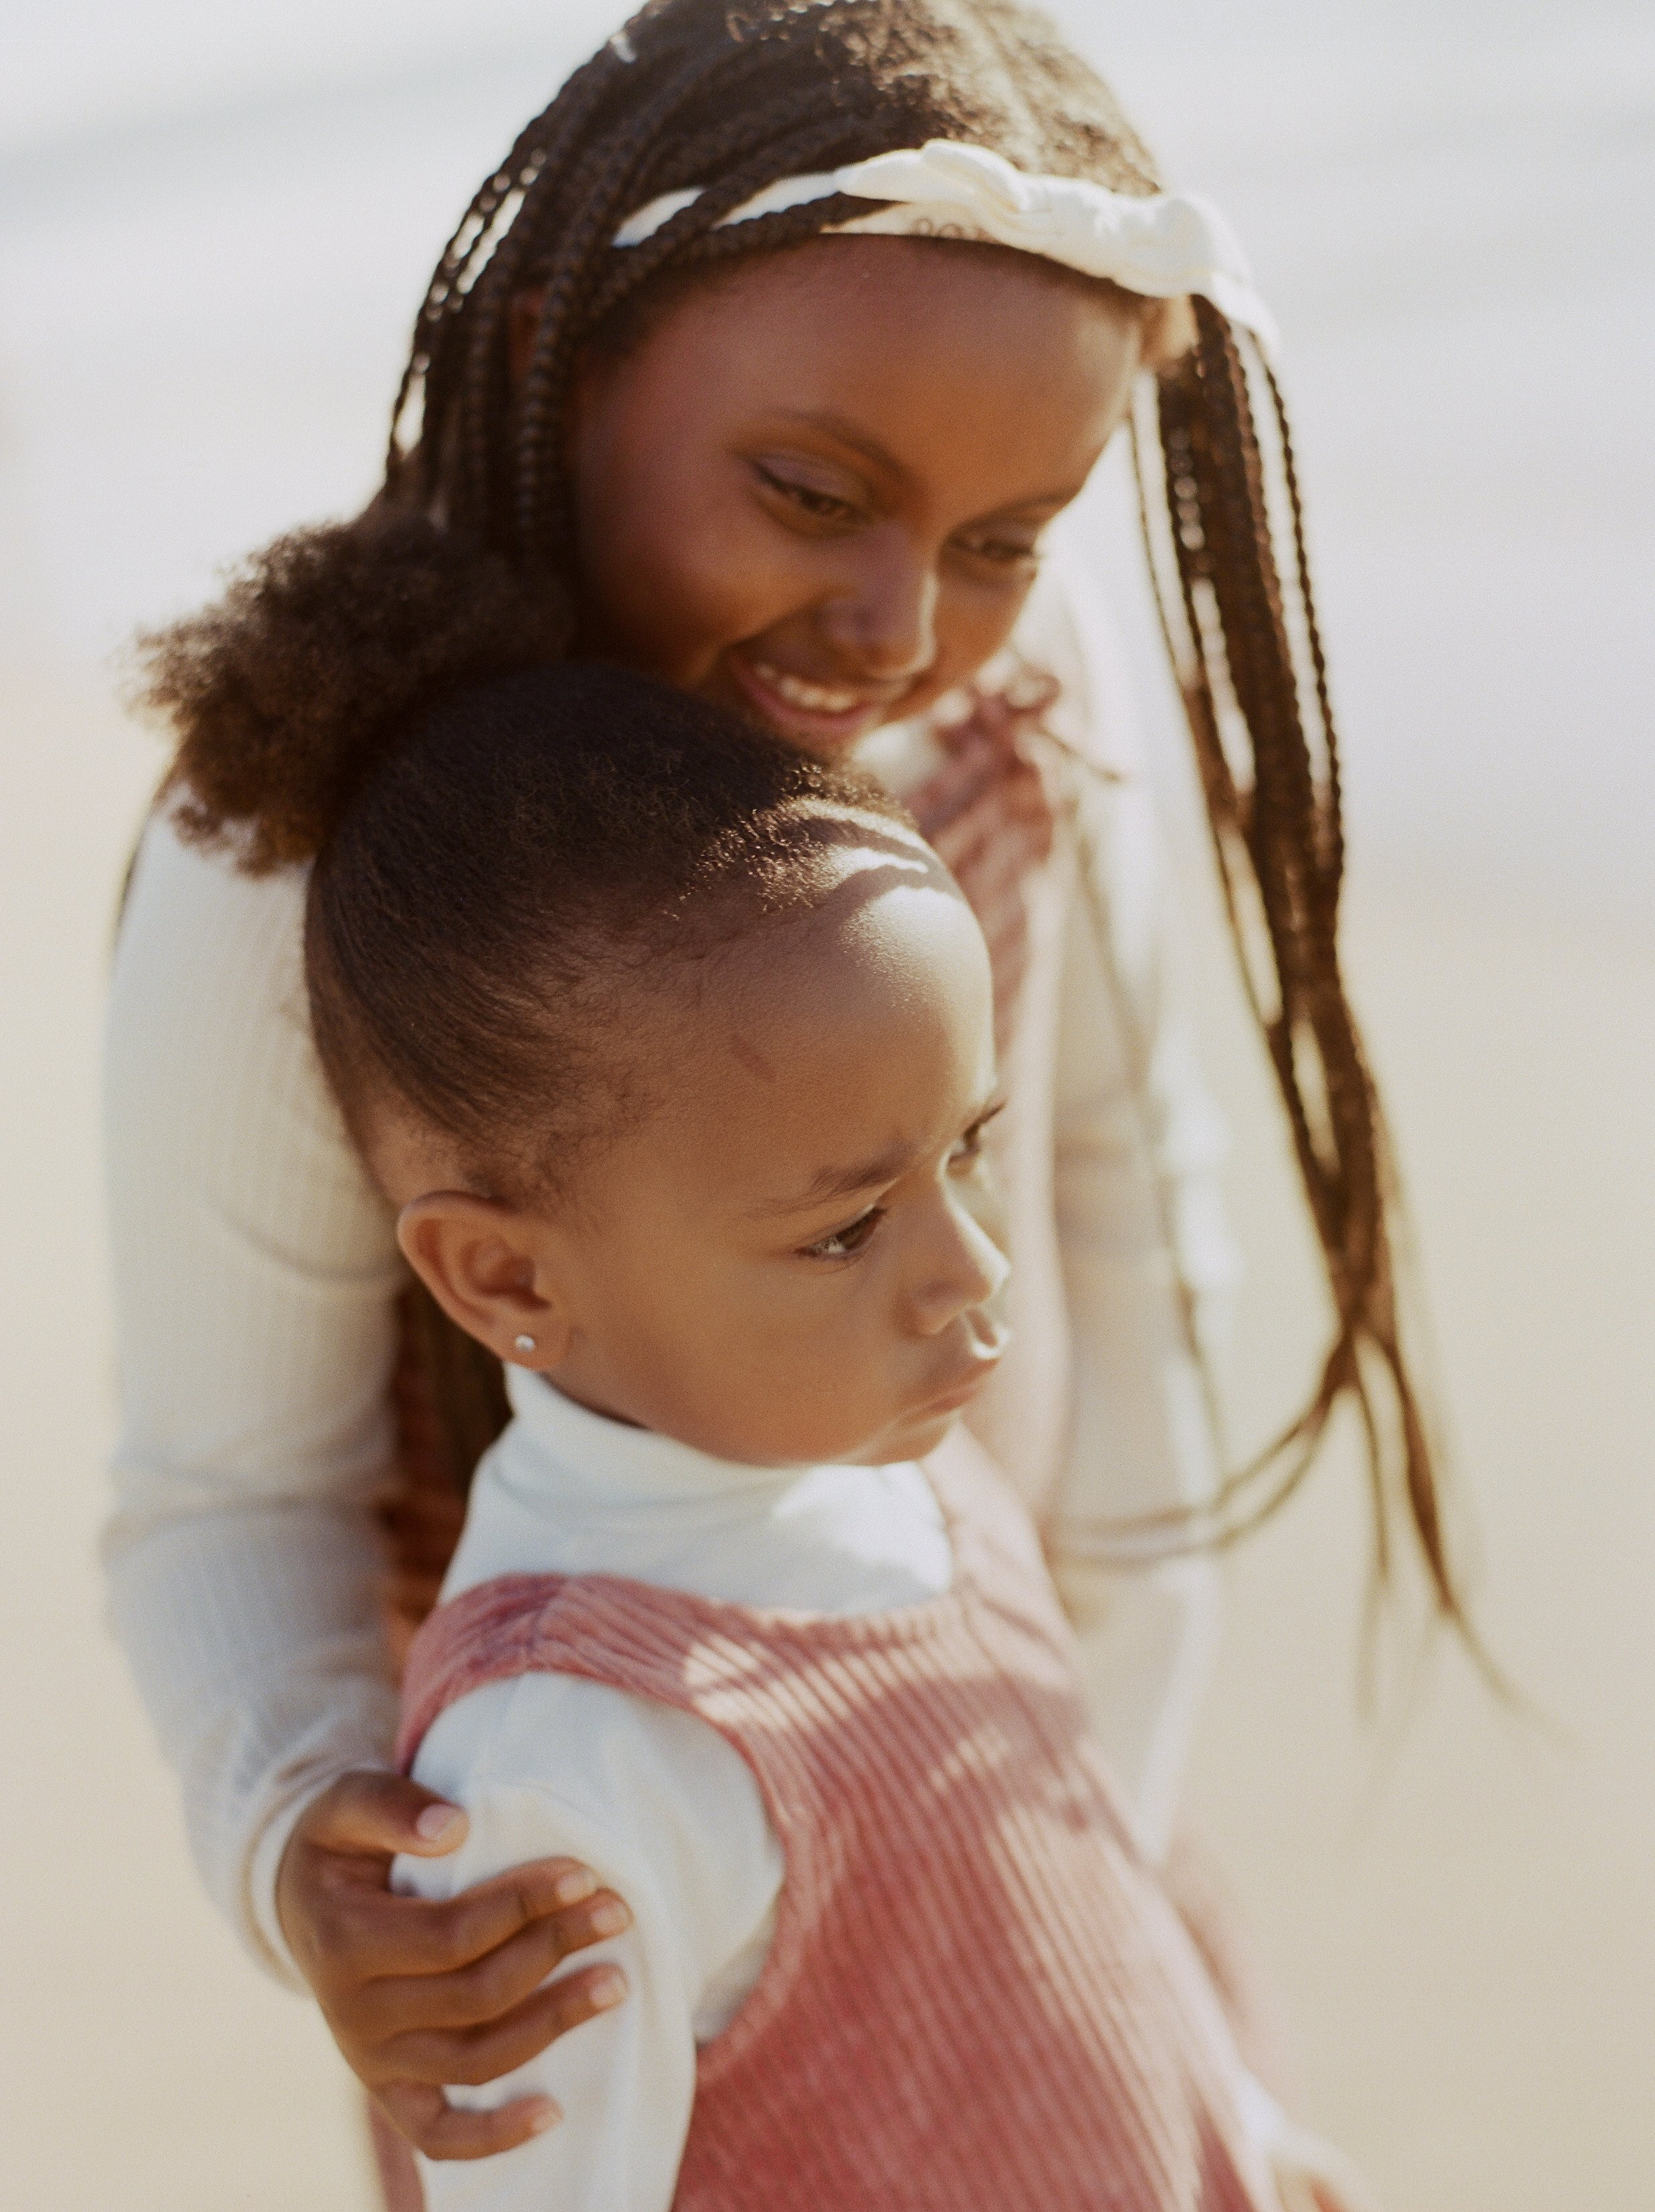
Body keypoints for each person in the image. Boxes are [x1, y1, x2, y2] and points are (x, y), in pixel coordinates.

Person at [106, 0, 1458, 2191]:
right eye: (810, 494)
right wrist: (305, 1853)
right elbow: (222, 1486)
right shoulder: (297, 853)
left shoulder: (1016, 696)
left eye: (1008, 533)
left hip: (1026, 1766)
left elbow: (1128, 1215)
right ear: (560, 355)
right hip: (650, 1889)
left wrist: (1089, 1866)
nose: (902, 623)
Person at [302, 651, 1364, 2208]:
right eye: (848, 1227)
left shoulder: (916, 1467)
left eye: (968, 1147)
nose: (973, 1266)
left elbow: (1079, 1911)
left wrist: (1240, 2130)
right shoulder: (569, 1760)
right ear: (509, 1276)